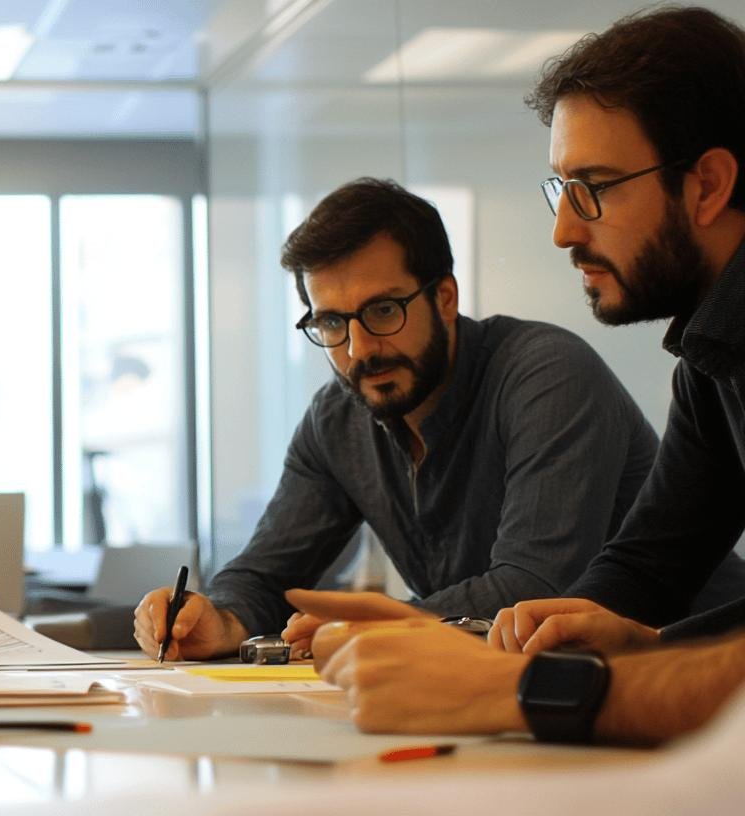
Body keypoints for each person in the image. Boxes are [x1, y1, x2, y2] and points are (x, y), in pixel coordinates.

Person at [302, 6, 745, 745]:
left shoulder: (546, 370)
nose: (564, 231)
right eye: (560, 190)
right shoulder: (711, 349)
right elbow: (647, 565)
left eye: (594, 188)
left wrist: (524, 688)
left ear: (707, 185)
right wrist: (556, 638)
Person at [133, 177, 675, 661]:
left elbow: (534, 588)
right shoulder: (337, 420)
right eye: (331, 323)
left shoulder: (546, 374)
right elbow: (265, 576)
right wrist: (216, 621)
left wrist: (369, 626)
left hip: (690, 681)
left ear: (444, 297)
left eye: (383, 311)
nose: (361, 349)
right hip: (523, 689)